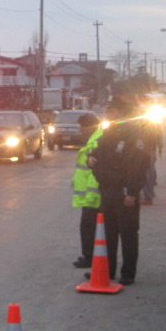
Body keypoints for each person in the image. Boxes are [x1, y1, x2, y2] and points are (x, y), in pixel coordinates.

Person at [87, 99, 156, 285]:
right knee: (108, 233)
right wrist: (91, 159)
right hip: (107, 190)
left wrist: (132, 192)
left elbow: (138, 167)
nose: (108, 114)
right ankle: (107, 270)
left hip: (125, 193)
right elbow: (98, 154)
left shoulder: (134, 136)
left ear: (121, 113)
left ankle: (128, 273)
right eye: (107, 110)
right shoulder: (107, 133)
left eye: (112, 111)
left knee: (128, 233)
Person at [70, 113, 104, 268]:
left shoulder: (96, 142)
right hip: (91, 195)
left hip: (93, 196)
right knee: (89, 227)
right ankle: (89, 256)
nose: (80, 130)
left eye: (82, 127)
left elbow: (94, 173)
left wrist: (91, 195)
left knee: (88, 228)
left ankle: (90, 258)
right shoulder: (94, 139)